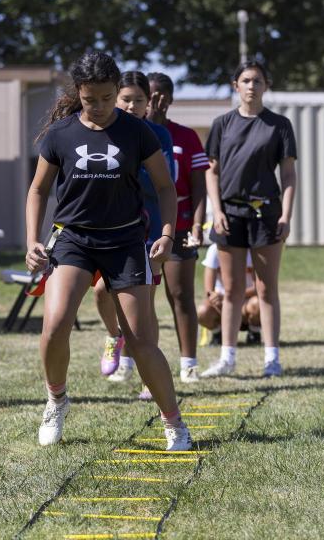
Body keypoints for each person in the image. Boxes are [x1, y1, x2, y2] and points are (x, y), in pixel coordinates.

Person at [25, 51, 192, 451]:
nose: (98, 107)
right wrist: (33, 239)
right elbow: (38, 190)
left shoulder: (138, 132)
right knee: (55, 324)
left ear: (118, 91)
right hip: (73, 239)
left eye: (105, 98)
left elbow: (166, 188)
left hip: (126, 241)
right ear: (78, 94)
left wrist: (167, 234)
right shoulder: (61, 134)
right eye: (89, 100)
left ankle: (175, 424)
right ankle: (56, 401)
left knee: (141, 340)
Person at [201, 60, 297, 378]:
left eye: (257, 80)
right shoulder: (221, 124)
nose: (251, 86)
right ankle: (227, 357)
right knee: (231, 291)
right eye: (245, 80)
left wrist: (285, 214)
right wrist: (216, 212)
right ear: (236, 86)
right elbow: (211, 172)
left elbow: (288, 174)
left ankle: (272, 359)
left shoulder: (279, 125)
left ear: (265, 86)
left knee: (266, 289)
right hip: (230, 214)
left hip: (266, 215)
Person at [96, 71, 177, 396]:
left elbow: (161, 182)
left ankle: (147, 376)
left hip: (148, 231)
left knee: (145, 307)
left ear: (148, 103)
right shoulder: (102, 132)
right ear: (116, 98)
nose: (131, 106)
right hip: (108, 230)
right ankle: (113, 335)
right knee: (102, 291)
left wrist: (127, 169)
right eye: (125, 99)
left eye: (138, 100)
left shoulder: (157, 134)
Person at [144, 72, 208, 380]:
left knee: (180, 294)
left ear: (170, 99)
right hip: (142, 225)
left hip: (179, 225)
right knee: (141, 297)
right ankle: (131, 360)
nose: (155, 102)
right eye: (150, 95)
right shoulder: (135, 134)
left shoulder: (186, 136)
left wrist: (198, 225)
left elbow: (199, 186)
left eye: (161, 96)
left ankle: (189, 363)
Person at [197, 245, 260, 346]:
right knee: (202, 311)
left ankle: (254, 332)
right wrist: (214, 297)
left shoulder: (252, 248)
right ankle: (218, 334)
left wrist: (232, 296)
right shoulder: (215, 249)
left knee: (258, 304)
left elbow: (258, 287)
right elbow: (208, 291)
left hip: (246, 302)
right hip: (221, 304)